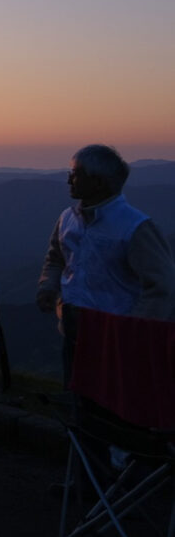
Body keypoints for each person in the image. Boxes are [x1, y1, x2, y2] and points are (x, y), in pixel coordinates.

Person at [36, 144, 175, 386]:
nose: (69, 179)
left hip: (115, 334)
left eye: (75, 173)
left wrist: (132, 330)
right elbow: (56, 257)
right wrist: (48, 286)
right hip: (73, 327)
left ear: (98, 182)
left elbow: (161, 286)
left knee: (112, 402)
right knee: (77, 392)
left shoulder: (135, 227)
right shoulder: (68, 218)